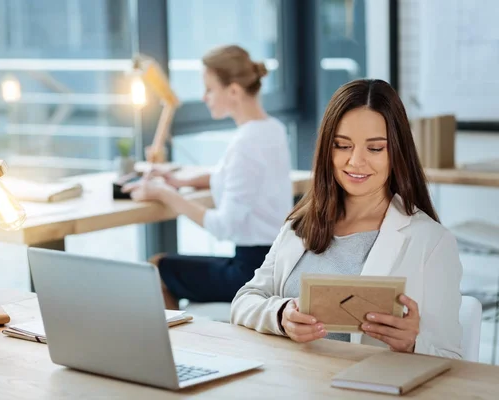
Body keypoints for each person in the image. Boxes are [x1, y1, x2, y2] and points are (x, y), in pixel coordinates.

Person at [230, 79, 463, 359]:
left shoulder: (431, 241)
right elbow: (243, 301)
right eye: (342, 145)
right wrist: (281, 315)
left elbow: (454, 359)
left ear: (396, 152)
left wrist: (411, 344)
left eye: (375, 148)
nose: (355, 161)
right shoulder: (301, 223)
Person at [123, 45, 293, 310]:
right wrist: (181, 181)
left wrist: (164, 193)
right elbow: (240, 178)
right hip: (276, 264)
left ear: (234, 91)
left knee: (156, 268)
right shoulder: (273, 130)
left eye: (210, 89)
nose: (204, 97)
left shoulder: (245, 144)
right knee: (164, 266)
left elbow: (223, 226)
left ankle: (178, 348)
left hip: (250, 274)